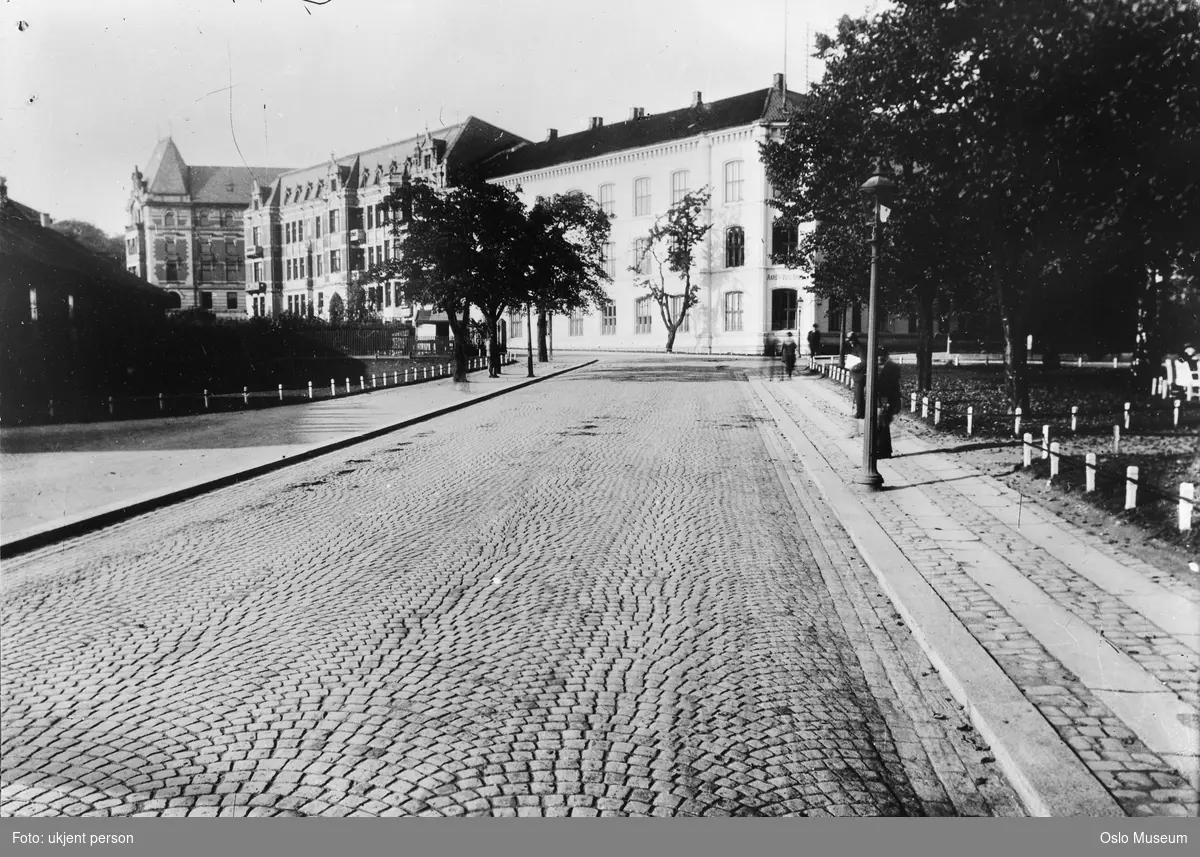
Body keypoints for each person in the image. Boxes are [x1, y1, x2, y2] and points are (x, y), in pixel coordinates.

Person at [875, 346, 902, 459]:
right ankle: (883, 450)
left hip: (887, 400)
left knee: (883, 425)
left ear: (885, 356)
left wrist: (885, 402)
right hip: (884, 400)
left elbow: (891, 387)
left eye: (881, 356)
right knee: (882, 425)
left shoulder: (891, 368)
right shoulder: (888, 366)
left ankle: (883, 451)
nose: (879, 358)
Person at [846, 332, 867, 434]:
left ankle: (860, 413)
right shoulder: (855, 347)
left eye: (850, 340)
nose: (849, 342)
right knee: (857, 393)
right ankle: (860, 412)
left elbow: (864, 361)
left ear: (854, 340)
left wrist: (854, 367)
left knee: (858, 394)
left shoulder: (859, 347)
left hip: (859, 374)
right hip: (856, 374)